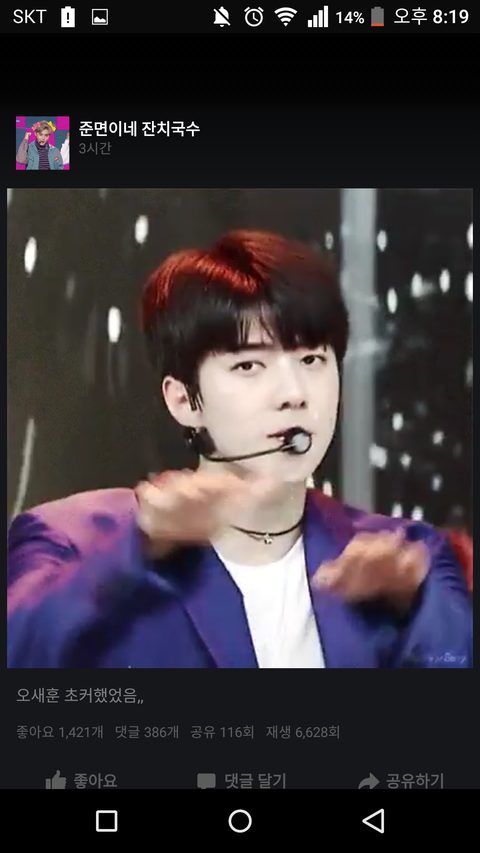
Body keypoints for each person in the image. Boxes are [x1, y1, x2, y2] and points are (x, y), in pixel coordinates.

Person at [7, 230, 472, 668]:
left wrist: (415, 607)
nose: (294, 393)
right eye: (249, 365)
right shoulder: (72, 539)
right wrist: (135, 552)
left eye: (312, 359)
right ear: (184, 401)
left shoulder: (408, 553)